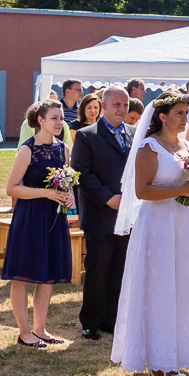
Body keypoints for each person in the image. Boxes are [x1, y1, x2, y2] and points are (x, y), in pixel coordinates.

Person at [110, 91, 189, 376]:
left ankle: (174, 357)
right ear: (163, 117)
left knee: (180, 288)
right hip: (156, 227)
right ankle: (155, 360)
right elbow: (142, 191)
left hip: (182, 226)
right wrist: (181, 190)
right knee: (159, 289)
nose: (184, 118)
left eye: (186, 113)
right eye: (179, 113)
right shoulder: (149, 147)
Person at [2, 101, 74, 346]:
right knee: (22, 274)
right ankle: (24, 332)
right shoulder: (27, 149)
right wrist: (46, 193)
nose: (59, 122)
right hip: (30, 216)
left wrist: (69, 194)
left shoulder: (63, 149)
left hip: (53, 216)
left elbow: (66, 182)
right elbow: (12, 188)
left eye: (61, 118)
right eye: (54, 118)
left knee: (47, 275)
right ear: (40, 120)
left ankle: (40, 329)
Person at [71, 86, 132, 341]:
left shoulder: (134, 133)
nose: (122, 109)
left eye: (125, 105)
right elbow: (81, 172)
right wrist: (107, 198)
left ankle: (112, 318)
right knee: (98, 268)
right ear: (103, 106)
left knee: (120, 268)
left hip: (127, 214)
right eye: (117, 104)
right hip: (100, 213)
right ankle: (91, 320)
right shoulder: (87, 135)